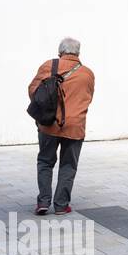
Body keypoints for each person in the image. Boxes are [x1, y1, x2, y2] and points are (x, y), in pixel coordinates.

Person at [28, 37, 96, 216]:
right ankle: (61, 205)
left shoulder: (48, 66)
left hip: (48, 124)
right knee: (68, 165)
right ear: (78, 53)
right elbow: (88, 98)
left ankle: (43, 202)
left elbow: (33, 90)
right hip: (74, 126)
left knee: (44, 161)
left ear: (60, 52)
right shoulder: (87, 73)